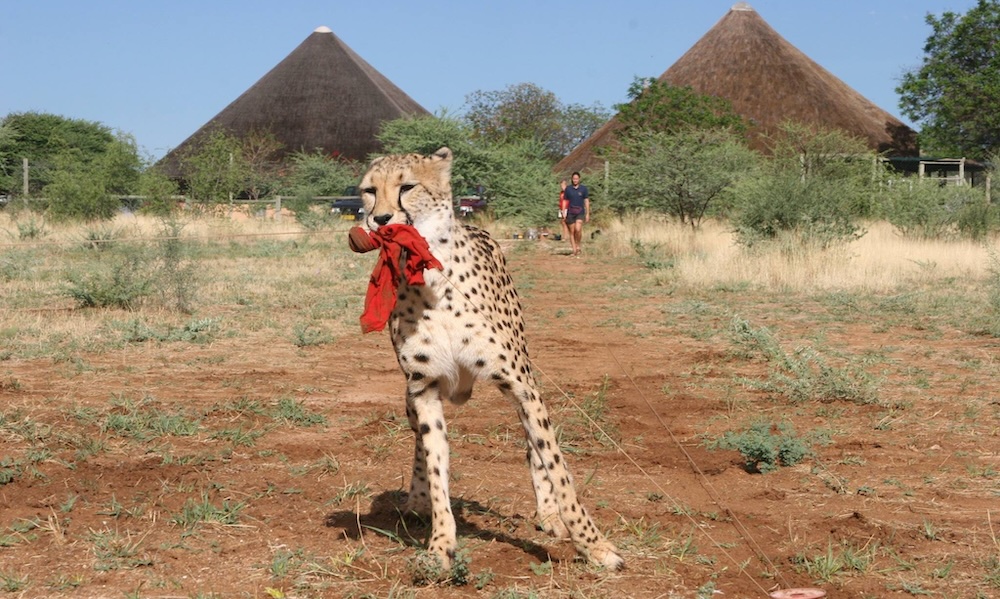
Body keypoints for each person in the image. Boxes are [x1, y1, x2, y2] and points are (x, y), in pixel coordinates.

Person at [562, 172, 590, 256]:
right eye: (574, 179)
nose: (575, 180)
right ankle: (574, 250)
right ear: (572, 179)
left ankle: (578, 245)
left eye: (577, 179)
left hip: (580, 211)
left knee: (578, 229)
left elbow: (586, 201)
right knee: (572, 231)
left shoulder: (583, 189)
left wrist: (588, 213)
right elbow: (565, 200)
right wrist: (563, 211)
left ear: (579, 179)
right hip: (571, 212)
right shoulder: (568, 189)